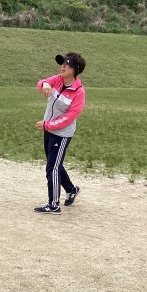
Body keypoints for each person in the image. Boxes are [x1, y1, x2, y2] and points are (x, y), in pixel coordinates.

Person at [34, 52, 86, 214]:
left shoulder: (79, 92)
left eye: (67, 65)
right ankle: (71, 189)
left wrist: (47, 124)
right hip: (49, 130)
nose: (63, 67)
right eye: (62, 63)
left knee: (52, 168)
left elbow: (70, 117)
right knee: (54, 163)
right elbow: (41, 83)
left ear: (75, 70)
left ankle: (54, 204)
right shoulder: (57, 79)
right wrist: (45, 84)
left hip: (62, 133)